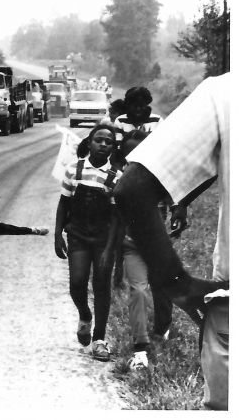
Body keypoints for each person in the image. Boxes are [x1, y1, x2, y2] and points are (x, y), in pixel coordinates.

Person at [114, 73, 229, 409]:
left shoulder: (222, 94)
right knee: (140, 284)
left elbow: (134, 187)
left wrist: (176, 281)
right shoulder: (122, 123)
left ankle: (161, 326)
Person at [54, 123, 123, 361]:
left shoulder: (116, 176)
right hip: (78, 235)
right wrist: (57, 235)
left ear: (113, 148)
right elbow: (64, 203)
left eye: (109, 142)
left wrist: (110, 248)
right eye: (99, 140)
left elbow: (116, 216)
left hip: (104, 237)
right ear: (89, 143)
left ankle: (100, 339)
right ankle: (85, 315)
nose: (103, 144)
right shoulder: (74, 169)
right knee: (77, 281)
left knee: (102, 284)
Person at [116, 130, 175, 370]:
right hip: (132, 245)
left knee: (163, 289)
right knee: (138, 291)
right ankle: (140, 346)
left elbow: (176, 199)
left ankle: (162, 328)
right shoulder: (119, 180)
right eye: (131, 154)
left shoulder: (160, 179)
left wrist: (179, 209)